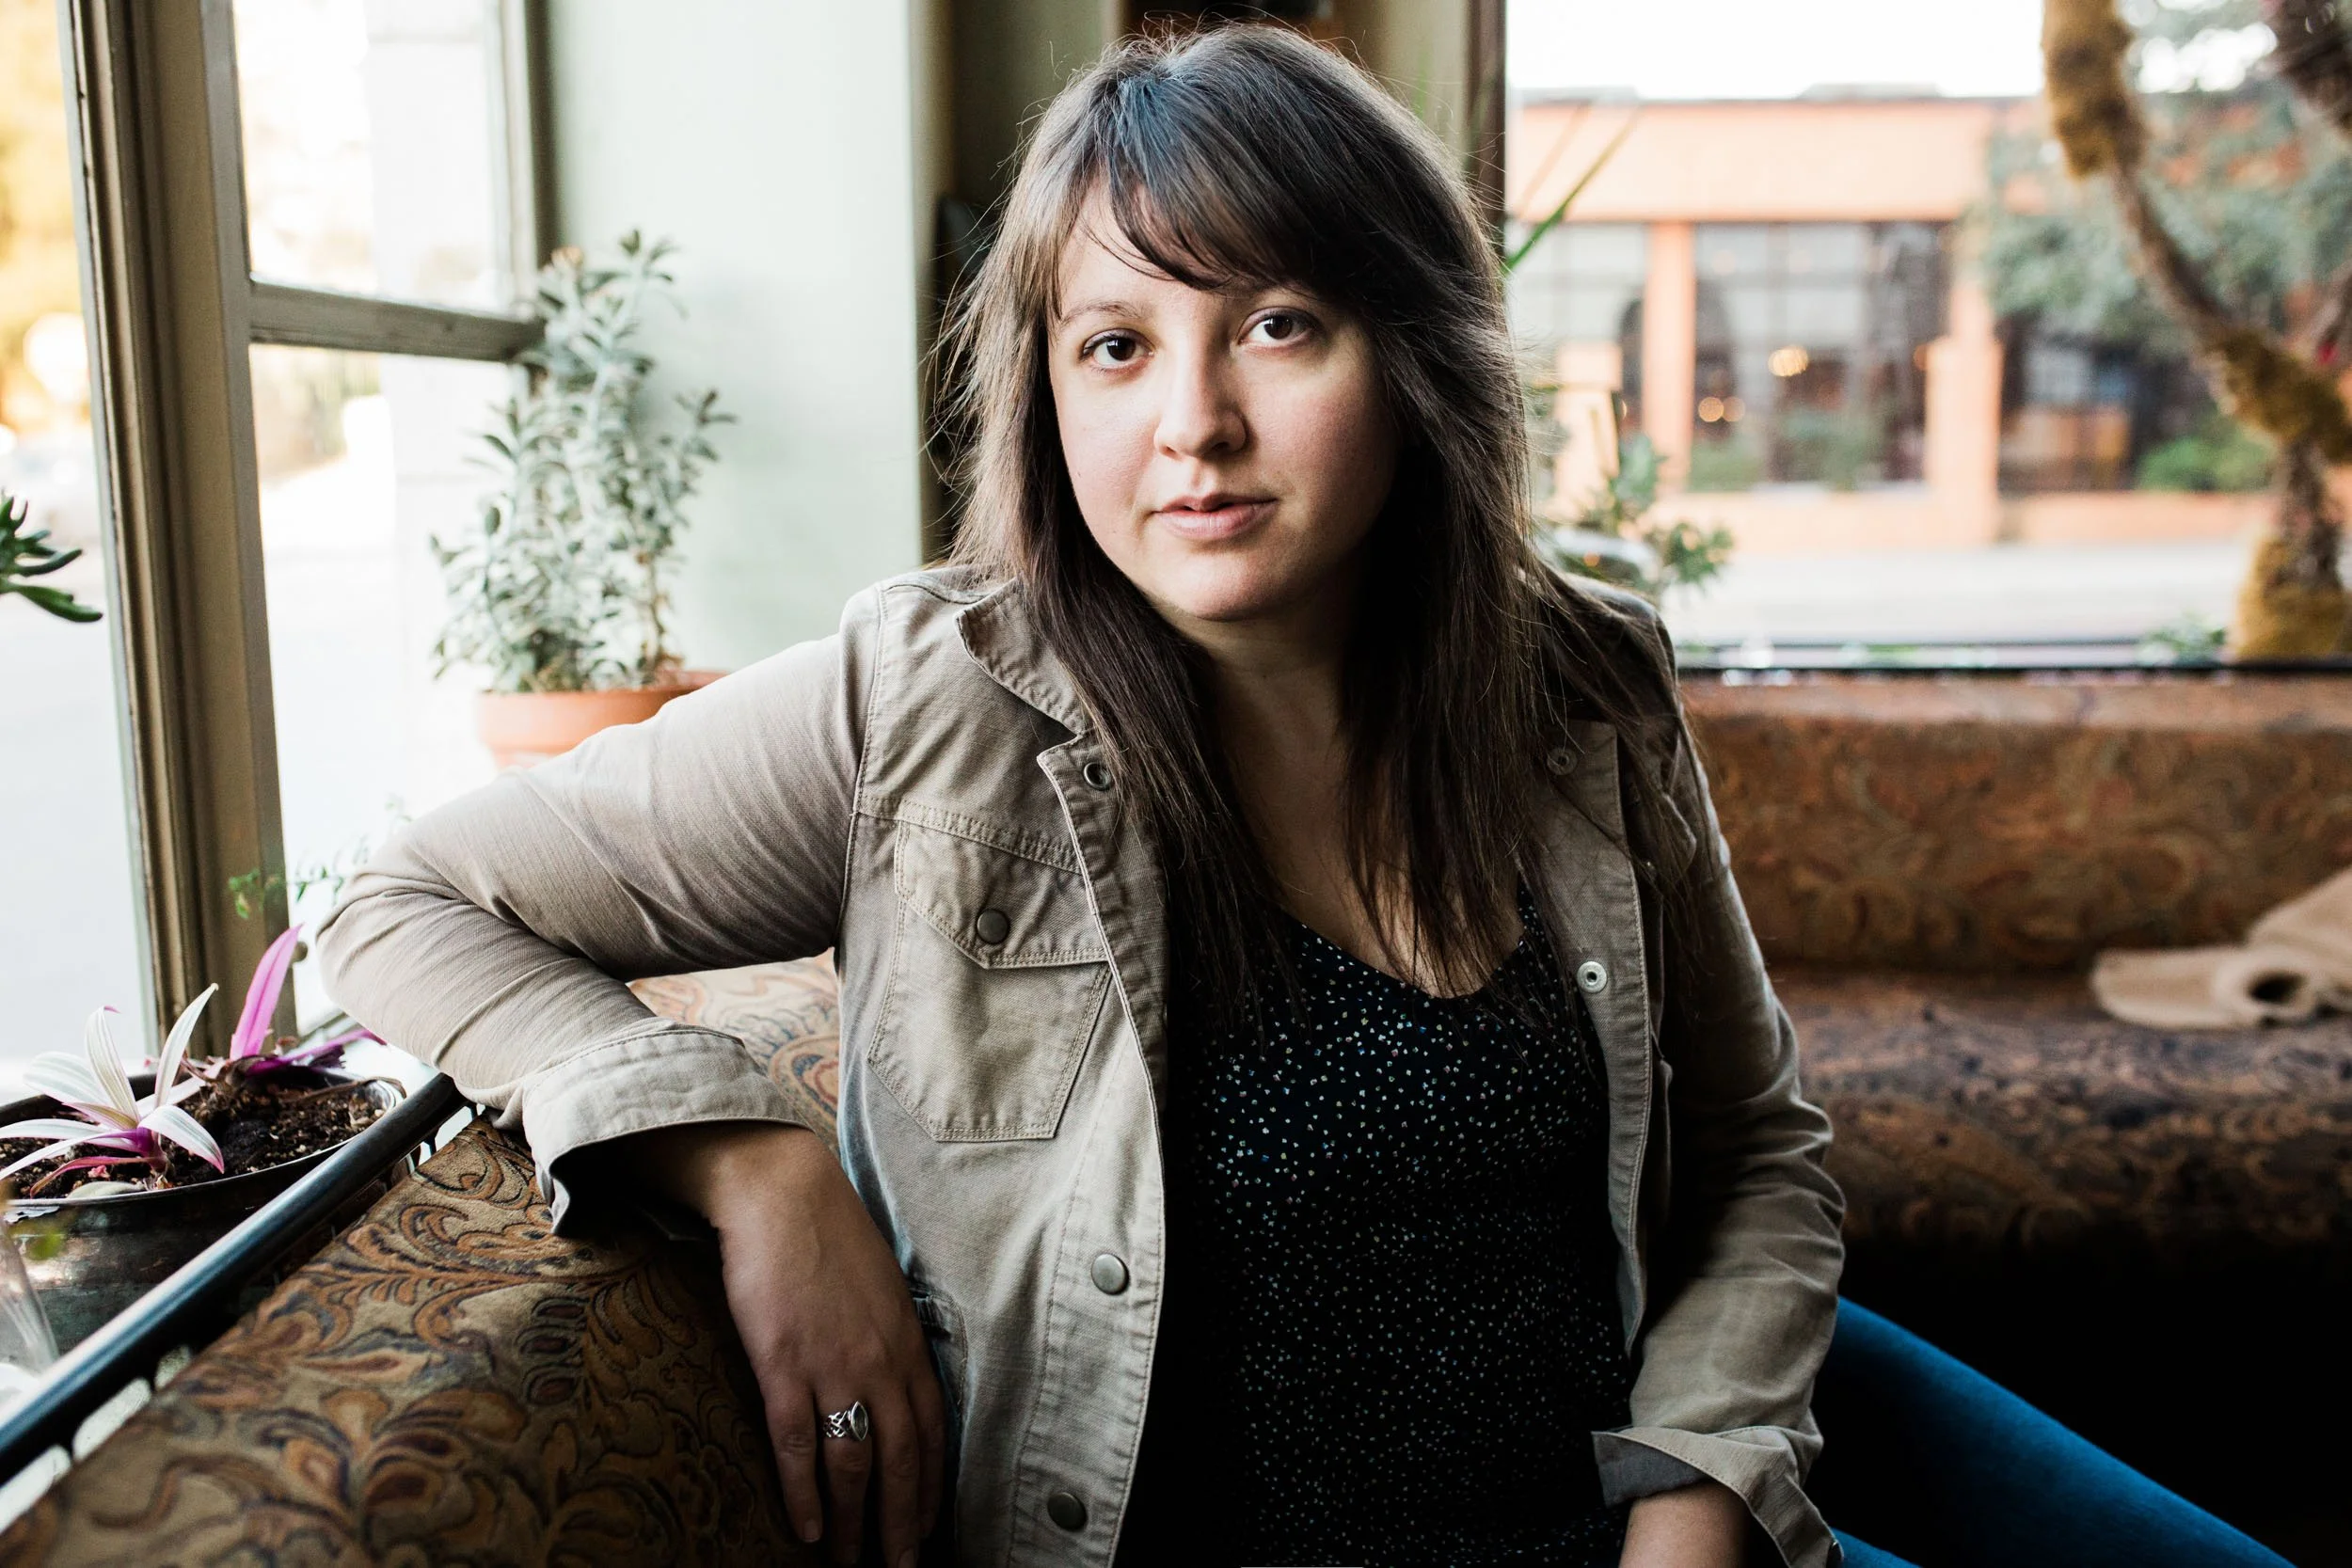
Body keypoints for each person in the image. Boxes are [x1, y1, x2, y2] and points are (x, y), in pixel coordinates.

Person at [317, 25, 2296, 1568]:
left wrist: (1693, 1492)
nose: (1188, 420)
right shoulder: (925, 696)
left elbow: (1759, 1148)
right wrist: (750, 1163)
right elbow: (394, 901)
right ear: (1050, 391)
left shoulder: (1577, 680)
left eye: (1274, 321)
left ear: (1411, 354)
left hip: (1655, 1458)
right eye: (1114, 343)